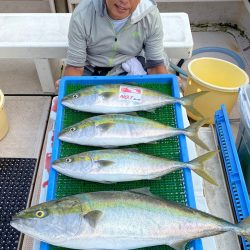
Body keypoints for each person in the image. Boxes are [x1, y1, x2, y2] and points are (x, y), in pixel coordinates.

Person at [55, 0, 168, 90]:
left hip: (131, 63)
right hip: (92, 67)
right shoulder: (82, 15)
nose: (124, 1)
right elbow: (75, 66)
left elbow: (155, 65)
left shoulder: (151, 16)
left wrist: (167, 86)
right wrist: (67, 87)